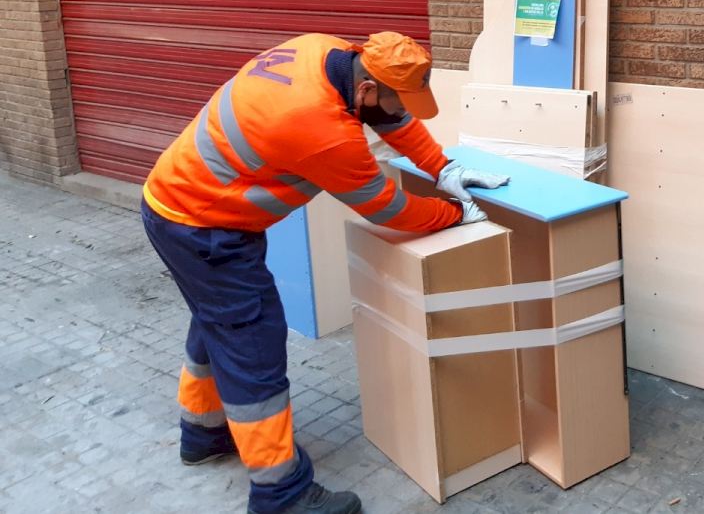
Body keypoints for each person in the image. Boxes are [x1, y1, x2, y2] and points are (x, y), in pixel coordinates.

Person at [140, 32, 509, 514]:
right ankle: (281, 493)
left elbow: (393, 120)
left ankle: (203, 431)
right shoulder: (323, 129)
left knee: (220, 322)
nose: (403, 111)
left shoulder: (326, 52)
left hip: (181, 206)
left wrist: (443, 168)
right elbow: (387, 208)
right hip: (204, 228)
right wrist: (455, 214)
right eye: (398, 100)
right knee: (251, 346)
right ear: (367, 90)